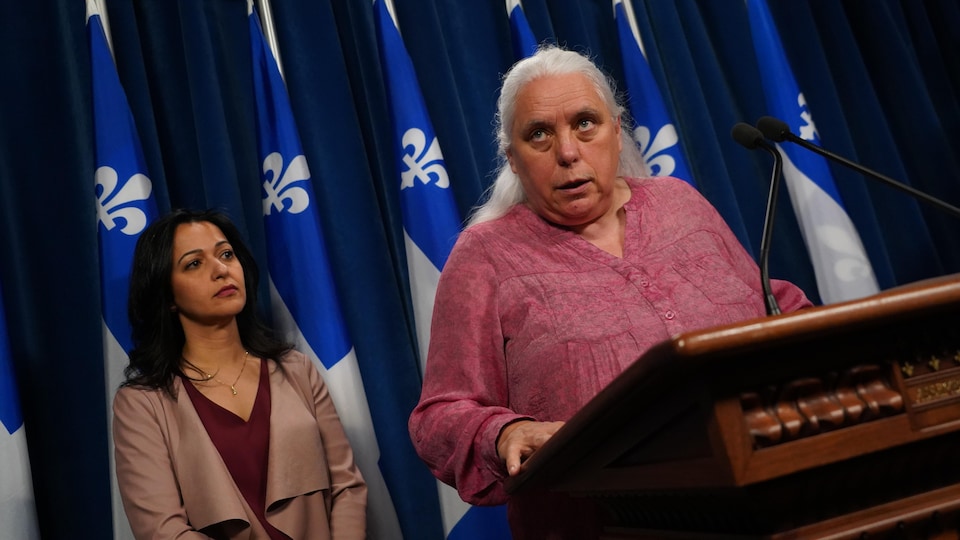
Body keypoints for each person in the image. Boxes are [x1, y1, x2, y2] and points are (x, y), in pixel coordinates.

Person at [407, 46, 811, 539]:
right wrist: (506, 432)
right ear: (512, 159)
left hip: (778, 499)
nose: (567, 152)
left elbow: (768, 305)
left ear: (617, 132)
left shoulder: (680, 204)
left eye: (585, 123)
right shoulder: (485, 256)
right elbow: (441, 416)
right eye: (539, 134)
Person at [113, 209, 366, 540]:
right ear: (168, 296)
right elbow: (163, 531)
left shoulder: (297, 369)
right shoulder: (141, 403)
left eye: (226, 254)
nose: (221, 270)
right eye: (194, 263)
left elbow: (346, 487)